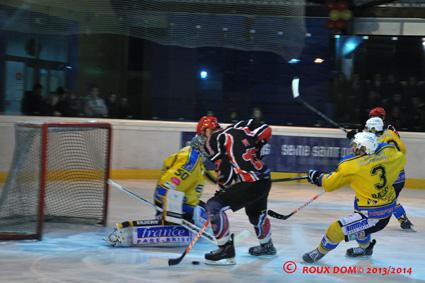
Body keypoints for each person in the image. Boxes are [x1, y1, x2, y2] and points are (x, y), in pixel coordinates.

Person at [303, 132, 406, 263]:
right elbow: (400, 154)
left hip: (373, 215)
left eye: (356, 146)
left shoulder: (351, 166)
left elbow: (329, 185)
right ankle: (366, 248)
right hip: (385, 205)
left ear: (363, 148)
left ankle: (319, 252)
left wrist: (317, 177)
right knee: (359, 227)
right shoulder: (390, 154)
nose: (353, 148)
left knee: (336, 229)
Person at [196, 115, 274, 265]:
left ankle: (225, 248)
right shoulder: (238, 128)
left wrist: (223, 187)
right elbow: (266, 131)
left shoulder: (213, 140)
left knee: (214, 206)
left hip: (250, 184)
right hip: (264, 180)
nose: (202, 138)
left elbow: (225, 169)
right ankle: (267, 246)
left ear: (207, 130)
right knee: (255, 214)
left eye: (202, 133)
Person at [364, 116, 415, 231]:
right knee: (390, 198)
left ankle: (372, 218)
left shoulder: (374, 140)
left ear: (373, 128)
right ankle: (404, 220)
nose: (366, 130)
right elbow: (403, 149)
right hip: (400, 176)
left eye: (368, 128)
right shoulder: (390, 133)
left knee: (385, 199)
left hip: (387, 177)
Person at [153, 134, 208, 225]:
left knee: (208, 209)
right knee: (210, 214)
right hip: (174, 204)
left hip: (179, 201)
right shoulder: (191, 160)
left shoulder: (196, 157)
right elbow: (169, 184)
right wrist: (170, 209)